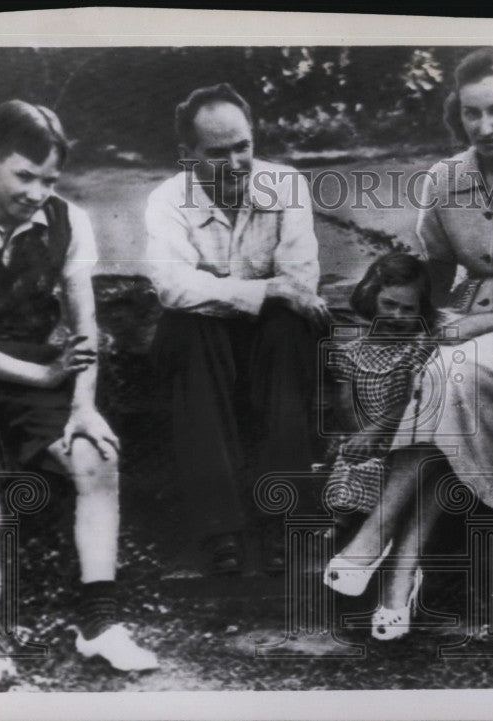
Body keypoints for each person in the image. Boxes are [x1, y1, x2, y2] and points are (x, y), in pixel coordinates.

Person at [323, 47, 493, 640]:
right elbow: (436, 272)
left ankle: (375, 536)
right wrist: (405, 316)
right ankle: (401, 574)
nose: (486, 126)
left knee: (450, 375)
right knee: (446, 390)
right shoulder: (446, 179)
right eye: (472, 114)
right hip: (463, 328)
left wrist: (468, 328)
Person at [0, 100, 159, 691]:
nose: (36, 192)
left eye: (49, 179)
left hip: (45, 376)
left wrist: (83, 404)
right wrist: (44, 378)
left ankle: (100, 623)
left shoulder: (68, 220)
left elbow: (85, 327)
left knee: (96, 457)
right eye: (23, 176)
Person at [145, 83, 330, 576]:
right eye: (216, 152)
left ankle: (281, 520)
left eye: (242, 146)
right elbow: (172, 288)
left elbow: (301, 280)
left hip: (272, 340)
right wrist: (260, 293)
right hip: (204, 341)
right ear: (187, 156)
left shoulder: (286, 186)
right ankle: (219, 528)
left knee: (290, 328)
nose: (235, 163)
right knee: (189, 331)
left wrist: (240, 295)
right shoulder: (167, 202)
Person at [322, 252, 439, 519]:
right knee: (348, 458)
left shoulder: (416, 351)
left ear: (422, 311)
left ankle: (368, 526)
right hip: (362, 433)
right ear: (371, 298)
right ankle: (342, 520)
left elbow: (411, 402)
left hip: (399, 435)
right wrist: (359, 435)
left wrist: (374, 433)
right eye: (389, 304)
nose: (396, 316)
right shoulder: (351, 352)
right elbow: (345, 401)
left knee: (388, 466)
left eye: (408, 309)